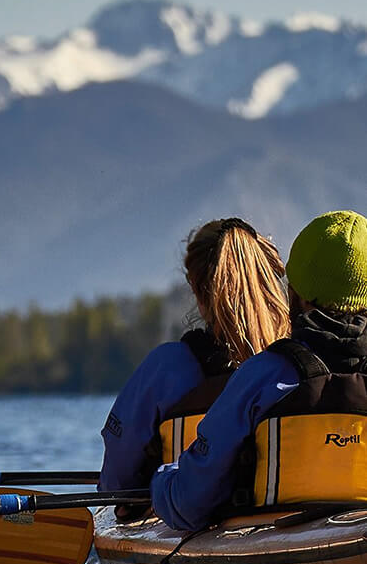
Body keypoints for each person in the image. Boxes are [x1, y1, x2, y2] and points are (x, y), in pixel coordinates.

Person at [151, 210, 367, 531]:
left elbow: (187, 505)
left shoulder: (262, 375)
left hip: (276, 538)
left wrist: (162, 481)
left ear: (293, 293)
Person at [98, 218, 289, 518]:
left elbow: (115, 484)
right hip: (281, 516)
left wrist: (133, 497)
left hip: (181, 514)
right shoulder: (293, 366)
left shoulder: (165, 368)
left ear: (199, 293)